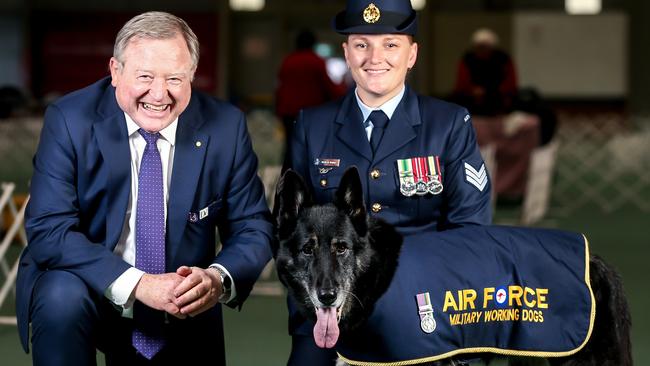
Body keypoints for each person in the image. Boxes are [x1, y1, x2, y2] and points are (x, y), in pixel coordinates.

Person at [16, 11, 273, 366]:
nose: (159, 93)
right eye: (145, 77)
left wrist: (215, 278)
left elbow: (253, 226)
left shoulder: (225, 127)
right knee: (61, 295)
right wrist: (138, 284)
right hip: (91, 288)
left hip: (180, 300)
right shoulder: (70, 119)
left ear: (193, 76)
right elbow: (49, 229)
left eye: (174, 79)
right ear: (115, 72)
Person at [284, 1, 492, 364]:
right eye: (362, 44)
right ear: (347, 53)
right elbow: (289, 231)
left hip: (426, 312)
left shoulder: (449, 124)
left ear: (412, 54)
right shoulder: (311, 126)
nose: (374, 57)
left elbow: (469, 233)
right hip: (332, 315)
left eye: (391, 45)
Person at [275, 29, 346, 169]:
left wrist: (278, 109)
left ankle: (287, 179)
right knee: (311, 148)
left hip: (288, 113)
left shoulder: (288, 61)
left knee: (290, 146)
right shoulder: (316, 62)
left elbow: (279, 88)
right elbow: (329, 87)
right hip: (310, 114)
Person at [453, 28, 518, 116]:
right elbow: (461, 83)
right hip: (472, 98)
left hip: (497, 97)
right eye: (479, 47)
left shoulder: (503, 59)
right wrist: (473, 90)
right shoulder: (468, 59)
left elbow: (510, 83)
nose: (482, 50)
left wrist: (493, 92)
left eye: (484, 47)